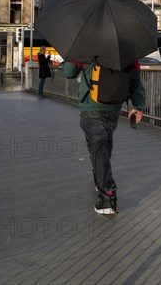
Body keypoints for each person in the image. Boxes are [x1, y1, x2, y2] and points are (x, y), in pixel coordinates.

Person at [62, 59, 145, 215]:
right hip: (114, 108)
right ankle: (99, 177)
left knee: (98, 149)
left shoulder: (86, 47)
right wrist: (137, 106)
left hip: (92, 106)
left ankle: (107, 196)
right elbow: (135, 81)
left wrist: (71, 56)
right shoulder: (128, 53)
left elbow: (68, 72)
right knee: (104, 146)